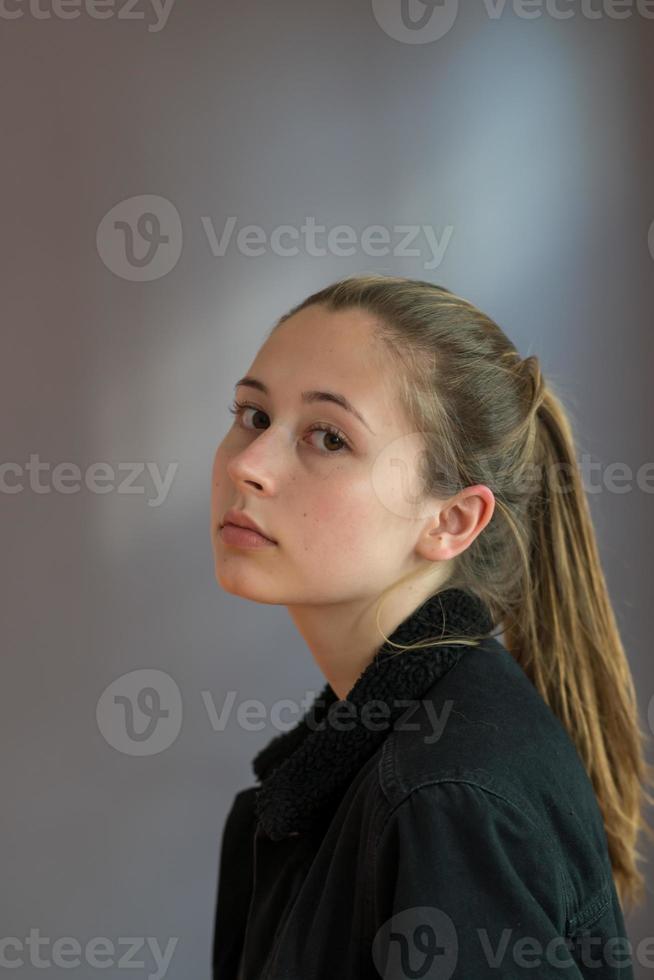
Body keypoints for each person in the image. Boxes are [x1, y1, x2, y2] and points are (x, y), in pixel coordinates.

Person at [209, 273, 653, 979]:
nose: (248, 466)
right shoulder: (394, 762)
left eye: (328, 437)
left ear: (451, 521)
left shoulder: (444, 796)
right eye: (254, 416)